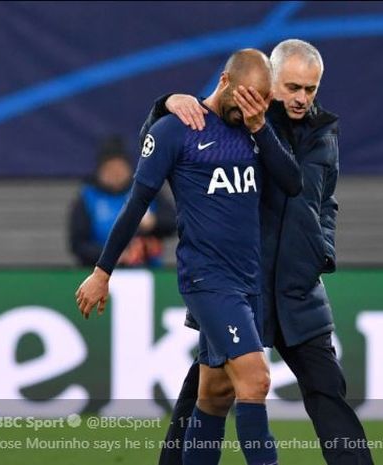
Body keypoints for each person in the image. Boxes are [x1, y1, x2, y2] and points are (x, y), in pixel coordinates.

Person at [145, 39, 374, 465]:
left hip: (297, 288)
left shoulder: (325, 132)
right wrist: (166, 104)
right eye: (293, 88)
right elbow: (164, 141)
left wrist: (321, 251)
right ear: (270, 82)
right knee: (207, 390)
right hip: (243, 286)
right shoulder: (240, 119)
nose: (303, 98)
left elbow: (326, 201)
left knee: (329, 393)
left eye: (311, 89)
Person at [75, 48, 303, 465]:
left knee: (215, 395)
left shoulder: (257, 127)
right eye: (246, 98)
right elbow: (136, 202)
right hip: (208, 279)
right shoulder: (177, 129)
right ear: (224, 82)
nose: (251, 108)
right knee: (256, 380)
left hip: (248, 279)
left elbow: (292, 183)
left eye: (262, 100)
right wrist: (102, 271)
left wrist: (262, 129)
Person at [68, 136, 176, 267]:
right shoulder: (88, 197)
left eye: (120, 167)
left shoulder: (147, 191)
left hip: (147, 271)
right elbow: (78, 245)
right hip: (99, 273)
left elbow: (174, 221)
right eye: (110, 168)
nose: (115, 173)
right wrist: (112, 257)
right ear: (100, 171)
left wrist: (153, 222)